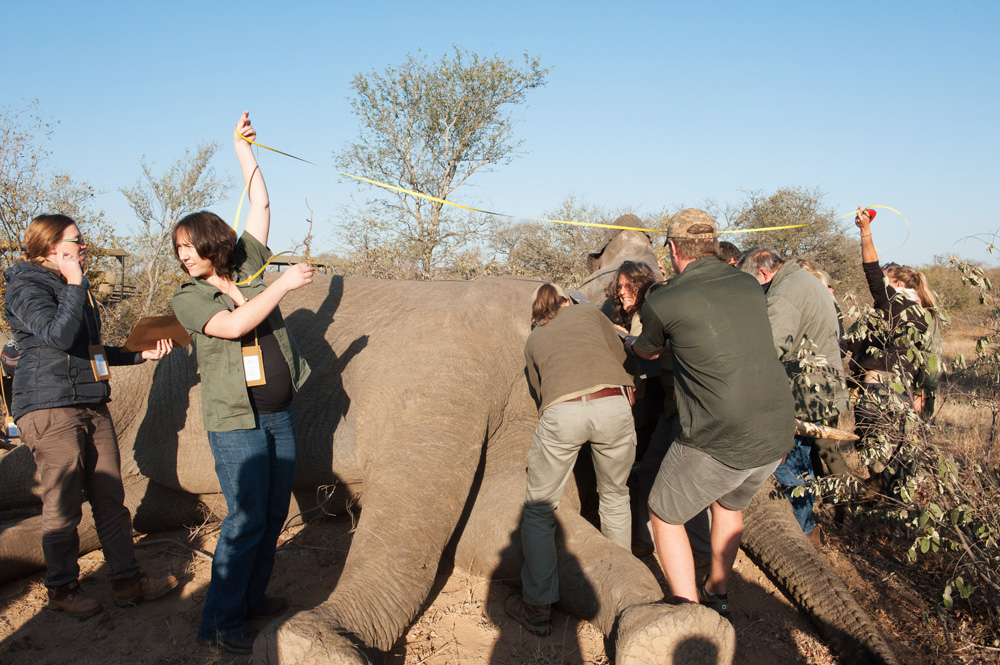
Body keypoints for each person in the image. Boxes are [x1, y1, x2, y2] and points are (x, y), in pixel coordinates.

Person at [171, 112, 315, 655]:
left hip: (278, 414)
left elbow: (261, 205)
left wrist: (242, 150)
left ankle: (250, 601)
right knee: (245, 519)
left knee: (273, 516)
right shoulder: (189, 296)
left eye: (189, 245)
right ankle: (220, 622)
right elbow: (233, 325)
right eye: (179, 249)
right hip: (238, 423)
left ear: (212, 241)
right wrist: (281, 286)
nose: (184, 255)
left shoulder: (243, 262)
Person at [4, 214, 178, 619]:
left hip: (90, 400)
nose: (85, 247)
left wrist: (139, 354)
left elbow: (88, 349)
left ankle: (126, 580)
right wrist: (74, 283)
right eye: (76, 241)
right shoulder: (25, 285)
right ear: (51, 248)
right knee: (63, 503)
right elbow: (58, 336)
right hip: (49, 406)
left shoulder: (70, 287)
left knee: (109, 498)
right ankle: (62, 589)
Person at [626, 208, 794, 620]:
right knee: (728, 506)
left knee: (664, 512)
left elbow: (645, 350)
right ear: (714, 245)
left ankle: (688, 609)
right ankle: (718, 591)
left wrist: (638, 344)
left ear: (672, 249)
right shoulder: (748, 282)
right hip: (776, 428)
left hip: (719, 433)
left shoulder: (664, 300)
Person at [505, 283, 636, 637]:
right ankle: (625, 596)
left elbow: (539, 389)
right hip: (613, 403)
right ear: (567, 300)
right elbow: (619, 355)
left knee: (539, 508)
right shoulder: (589, 312)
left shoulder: (533, 340)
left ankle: (537, 604)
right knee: (615, 495)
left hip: (562, 412)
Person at [738, 248, 848, 546]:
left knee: (789, 464)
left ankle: (805, 532)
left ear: (762, 273)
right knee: (810, 459)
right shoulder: (805, 280)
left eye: (753, 282)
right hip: (822, 388)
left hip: (802, 395)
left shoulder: (785, 293)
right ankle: (817, 520)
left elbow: (769, 347)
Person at [851, 207, 941, 491]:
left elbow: (870, 269)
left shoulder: (893, 303)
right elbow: (930, 362)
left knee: (875, 451)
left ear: (898, 284)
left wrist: (865, 231)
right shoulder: (927, 313)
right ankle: (896, 506)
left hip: (879, 389)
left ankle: (879, 500)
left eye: (887, 280)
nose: (881, 284)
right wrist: (923, 394)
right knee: (899, 454)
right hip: (905, 392)